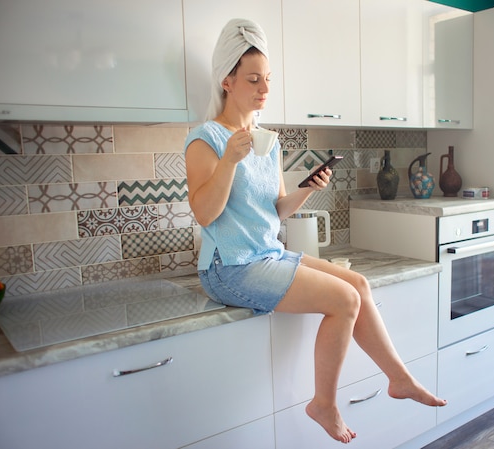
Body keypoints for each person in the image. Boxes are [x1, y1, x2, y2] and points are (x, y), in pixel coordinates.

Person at [184, 18, 447, 444]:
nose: (264, 89)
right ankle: (323, 403)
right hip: (228, 266)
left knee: (358, 284)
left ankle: (400, 379)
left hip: (266, 254)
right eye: (253, 79)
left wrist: (308, 188)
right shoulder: (206, 140)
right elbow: (205, 214)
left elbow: (277, 211)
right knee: (343, 300)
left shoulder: (266, 141)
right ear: (227, 81)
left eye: (268, 79)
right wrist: (230, 161)